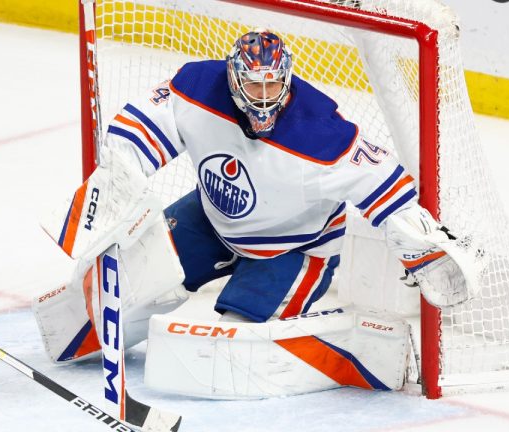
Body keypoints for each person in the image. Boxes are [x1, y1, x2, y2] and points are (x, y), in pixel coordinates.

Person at [37, 30, 481, 364]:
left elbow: (388, 187)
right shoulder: (197, 87)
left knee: (230, 343)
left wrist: (421, 245)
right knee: (98, 298)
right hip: (211, 220)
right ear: (234, 78)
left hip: (293, 249)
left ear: (286, 81)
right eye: (254, 86)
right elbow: (136, 131)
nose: (264, 98)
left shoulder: (320, 135)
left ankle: (330, 346)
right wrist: (121, 180)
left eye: (273, 87)